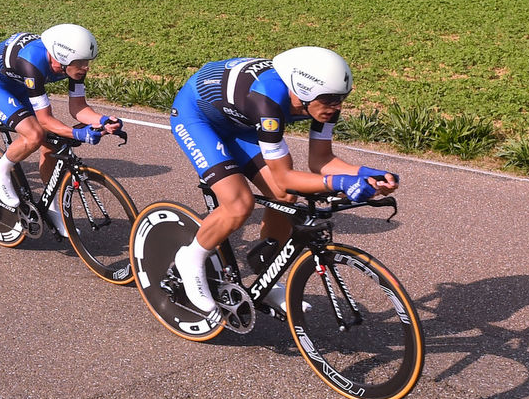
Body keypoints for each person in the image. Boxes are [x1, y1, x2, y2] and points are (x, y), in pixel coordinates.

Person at [170, 47, 399, 320]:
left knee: (284, 197)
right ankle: (191, 258)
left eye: (342, 99)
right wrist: (340, 182)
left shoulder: (322, 102)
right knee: (239, 204)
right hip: (197, 117)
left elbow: (321, 160)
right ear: (302, 91)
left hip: (240, 122)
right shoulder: (268, 102)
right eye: (329, 100)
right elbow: (284, 175)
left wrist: (363, 174)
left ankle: (266, 278)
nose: (336, 107)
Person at [0, 24, 122, 237]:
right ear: (61, 58)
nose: (86, 67)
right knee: (35, 134)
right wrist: (78, 134)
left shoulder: (72, 66)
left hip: (22, 86)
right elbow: (44, 120)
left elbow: (78, 108)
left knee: (54, 144)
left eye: (87, 62)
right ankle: (0, 168)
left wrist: (103, 120)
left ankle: (51, 209)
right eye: (81, 62)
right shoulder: (32, 62)